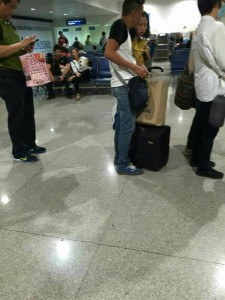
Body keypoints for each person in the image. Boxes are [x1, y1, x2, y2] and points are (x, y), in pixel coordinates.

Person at [104, 0, 148, 176]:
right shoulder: (119, 25)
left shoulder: (124, 30)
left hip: (122, 83)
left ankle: (118, 158)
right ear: (134, 12)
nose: (141, 18)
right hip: (122, 85)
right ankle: (123, 163)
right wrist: (135, 67)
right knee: (127, 126)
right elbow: (108, 52)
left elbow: (120, 54)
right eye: (141, 14)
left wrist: (137, 66)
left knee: (122, 124)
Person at [0, 0, 46, 163]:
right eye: (11, 6)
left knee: (27, 112)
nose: (13, 10)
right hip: (7, 76)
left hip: (20, 74)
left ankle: (30, 145)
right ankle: (19, 152)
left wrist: (24, 48)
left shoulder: (8, 23)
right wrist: (21, 44)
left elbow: (11, 48)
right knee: (17, 114)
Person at [187, 0, 225, 179]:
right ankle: (203, 166)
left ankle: (197, 158)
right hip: (214, 85)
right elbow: (223, 59)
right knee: (211, 127)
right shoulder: (217, 27)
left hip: (201, 84)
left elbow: (193, 62)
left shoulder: (199, 28)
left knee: (202, 123)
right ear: (215, 5)